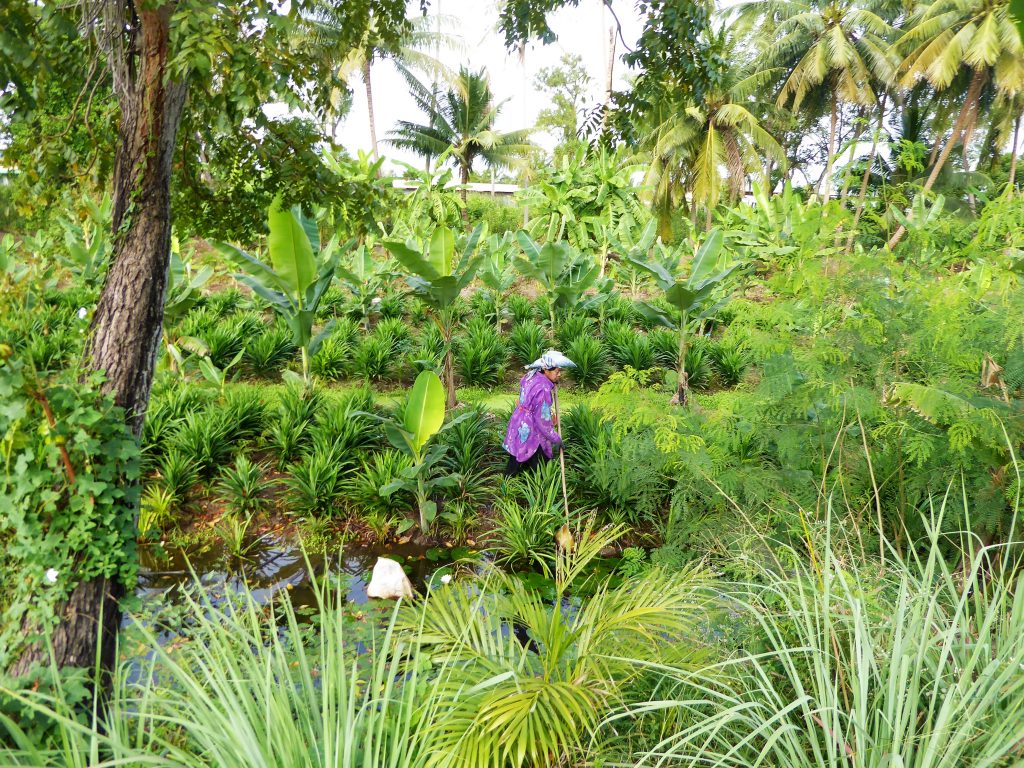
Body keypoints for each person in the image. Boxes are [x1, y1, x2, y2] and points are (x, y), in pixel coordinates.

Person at [503, 349, 575, 476]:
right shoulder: (543, 388)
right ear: (546, 370)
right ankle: (542, 489)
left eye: (560, 371)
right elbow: (543, 422)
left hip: (519, 420)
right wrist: (556, 438)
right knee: (539, 459)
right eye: (557, 371)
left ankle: (508, 483)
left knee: (517, 454)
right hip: (531, 427)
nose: (559, 375)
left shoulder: (531, 376)